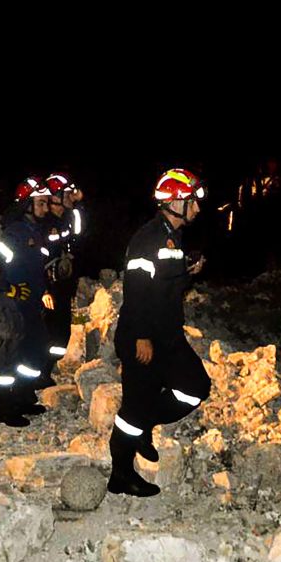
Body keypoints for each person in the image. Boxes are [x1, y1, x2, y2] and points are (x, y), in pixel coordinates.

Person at [108, 168, 212, 497]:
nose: (196, 208)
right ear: (173, 202)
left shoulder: (173, 237)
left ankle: (144, 426)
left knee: (195, 387)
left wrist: (188, 270)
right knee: (132, 412)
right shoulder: (148, 237)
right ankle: (120, 476)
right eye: (191, 201)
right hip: (143, 338)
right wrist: (141, 336)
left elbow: (165, 284)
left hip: (167, 335)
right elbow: (135, 290)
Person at [0, 176, 53, 427]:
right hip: (14, 302)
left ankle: (24, 398)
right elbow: (1, 257)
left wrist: (44, 290)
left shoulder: (34, 232)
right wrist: (10, 287)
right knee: (11, 353)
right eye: (41, 203)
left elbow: (37, 267)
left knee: (35, 348)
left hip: (32, 301)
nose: (45, 208)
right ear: (26, 204)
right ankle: (3, 408)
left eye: (46, 203)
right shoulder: (14, 231)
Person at [39, 171, 84, 382]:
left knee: (61, 330)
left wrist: (76, 207)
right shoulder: (43, 221)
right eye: (66, 193)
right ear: (54, 196)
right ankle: (39, 372)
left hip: (63, 284)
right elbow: (36, 257)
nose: (70, 195)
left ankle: (48, 370)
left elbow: (80, 234)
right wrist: (43, 289)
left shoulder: (66, 217)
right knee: (47, 329)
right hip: (47, 285)